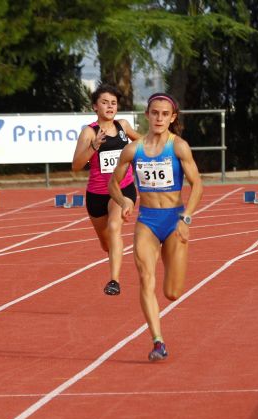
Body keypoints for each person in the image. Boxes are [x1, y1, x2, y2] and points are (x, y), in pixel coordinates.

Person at [109, 93, 203, 361]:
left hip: (174, 220)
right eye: (154, 113)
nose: (159, 118)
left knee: (172, 293)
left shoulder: (179, 147)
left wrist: (186, 218)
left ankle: (161, 327)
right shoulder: (133, 150)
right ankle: (158, 341)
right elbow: (113, 183)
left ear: (172, 118)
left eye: (164, 114)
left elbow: (198, 184)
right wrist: (124, 200)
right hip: (147, 221)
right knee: (145, 279)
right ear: (147, 115)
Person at [72, 84, 141, 296]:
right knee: (106, 243)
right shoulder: (89, 132)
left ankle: (114, 281)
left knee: (114, 228)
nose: (110, 106)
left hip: (122, 189)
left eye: (113, 103)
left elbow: (144, 143)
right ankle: (113, 251)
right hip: (96, 194)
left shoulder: (123, 126)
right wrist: (94, 146)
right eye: (104, 102)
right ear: (95, 106)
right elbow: (75, 166)